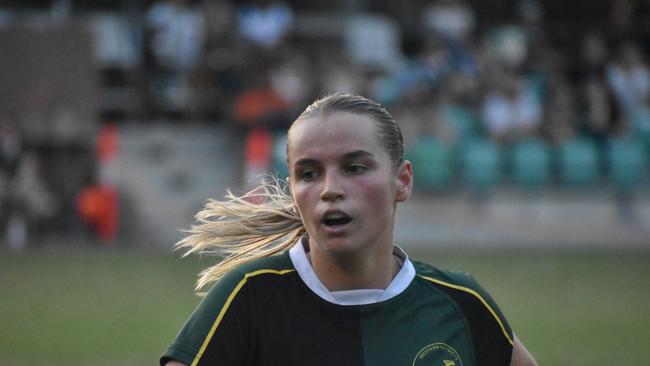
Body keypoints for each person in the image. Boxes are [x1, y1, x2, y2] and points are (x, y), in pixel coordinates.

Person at [160, 93, 537, 366]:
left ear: (402, 181)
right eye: (309, 174)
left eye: (355, 168)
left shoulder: (460, 305)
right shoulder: (248, 298)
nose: (330, 189)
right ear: (292, 191)